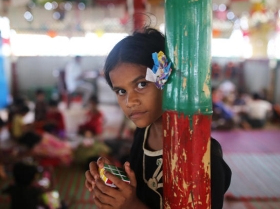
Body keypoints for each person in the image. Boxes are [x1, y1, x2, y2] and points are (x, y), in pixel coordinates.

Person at [84, 27, 231, 209]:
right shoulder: (143, 133)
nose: (130, 102)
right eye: (121, 91)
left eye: (141, 84)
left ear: (166, 79)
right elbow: (143, 187)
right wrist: (115, 182)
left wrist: (131, 206)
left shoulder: (201, 156)